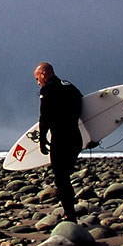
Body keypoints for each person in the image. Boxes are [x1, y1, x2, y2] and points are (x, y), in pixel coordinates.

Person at [34, 62, 83, 223]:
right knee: (65, 176)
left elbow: (44, 116)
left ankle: (70, 215)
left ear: (44, 74)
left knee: (61, 179)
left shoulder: (47, 89)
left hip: (61, 140)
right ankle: (71, 211)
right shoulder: (69, 85)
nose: (37, 82)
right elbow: (83, 103)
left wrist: (42, 139)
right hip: (76, 138)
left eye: (37, 78)